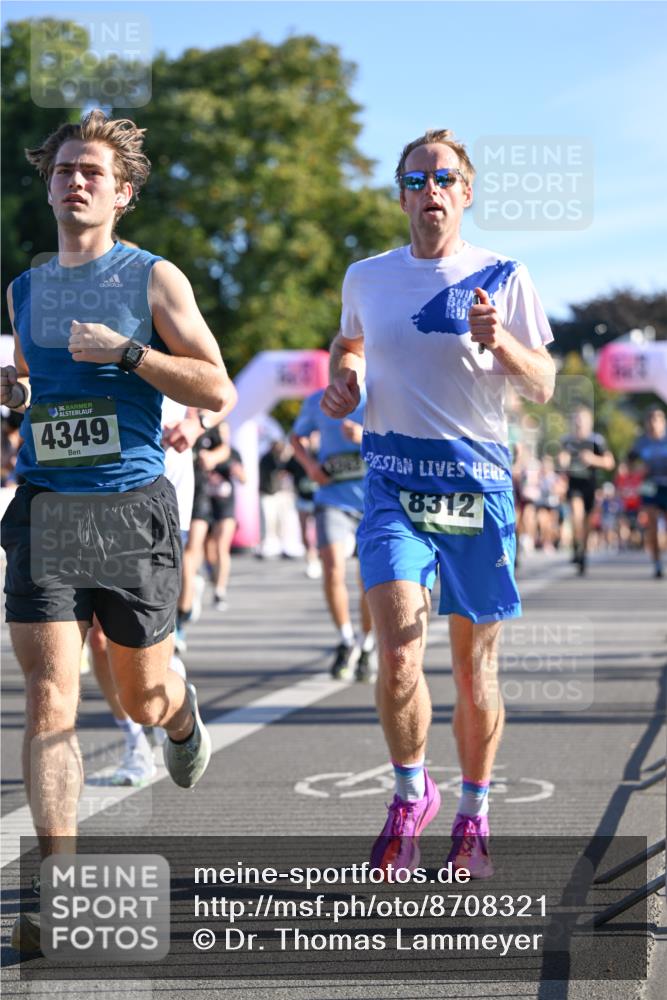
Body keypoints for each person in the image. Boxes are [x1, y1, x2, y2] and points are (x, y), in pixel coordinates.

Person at [0, 110, 235, 952]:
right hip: (46, 506)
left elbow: (215, 387)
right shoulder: (23, 290)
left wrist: (127, 355)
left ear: (123, 192)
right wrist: (13, 397)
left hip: (129, 510)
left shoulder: (153, 279)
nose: (76, 182)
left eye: (93, 171)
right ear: (49, 184)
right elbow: (31, 386)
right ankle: (54, 890)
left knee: (136, 692)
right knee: (50, 697)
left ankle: (176, 716)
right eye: (64, 170)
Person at [321, 128, 555, 878]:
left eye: (444, 179)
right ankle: (408, 794)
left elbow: (541, 384)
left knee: (471, 667)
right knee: (395, 655)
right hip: (393, 480)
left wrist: (500, 344)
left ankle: (475, 814)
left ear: (467, 192)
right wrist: (344, 380)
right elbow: (348, 342)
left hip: (476, 484)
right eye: (416, 180)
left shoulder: (503, 274)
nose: (431, 192)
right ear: (400, 194)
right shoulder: (366, 275)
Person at [291, 388, 375, 681]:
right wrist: (311, 466)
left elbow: (405, 436)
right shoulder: (316, 400)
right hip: (332, 499)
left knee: (368, 579)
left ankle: (367, 645)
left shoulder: (381, 392)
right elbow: (296, 438)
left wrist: (365, 435)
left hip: (373, 500)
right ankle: (345, 639)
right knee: (333, 570)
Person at [558, 405, 615, 575]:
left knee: (588, 523)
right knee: (577, 514)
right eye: (576, 420)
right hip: (574, 485)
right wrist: (562, 461)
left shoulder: (596, 440)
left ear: (589, 423)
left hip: (590, 486)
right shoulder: (567, 440)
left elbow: (609, 462)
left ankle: (582, 551)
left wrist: (592, 459)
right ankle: (577, 546)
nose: (579, 424)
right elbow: (561, 460)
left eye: (582, 420)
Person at [629, 406, 667, 577]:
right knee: (652, 524)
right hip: (650, 486)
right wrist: (638, 469)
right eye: (650, 420)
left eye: (657, 420)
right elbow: (629, 463)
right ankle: (657, 563)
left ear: (663, 423)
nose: (653, 424)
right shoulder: (641, 442)